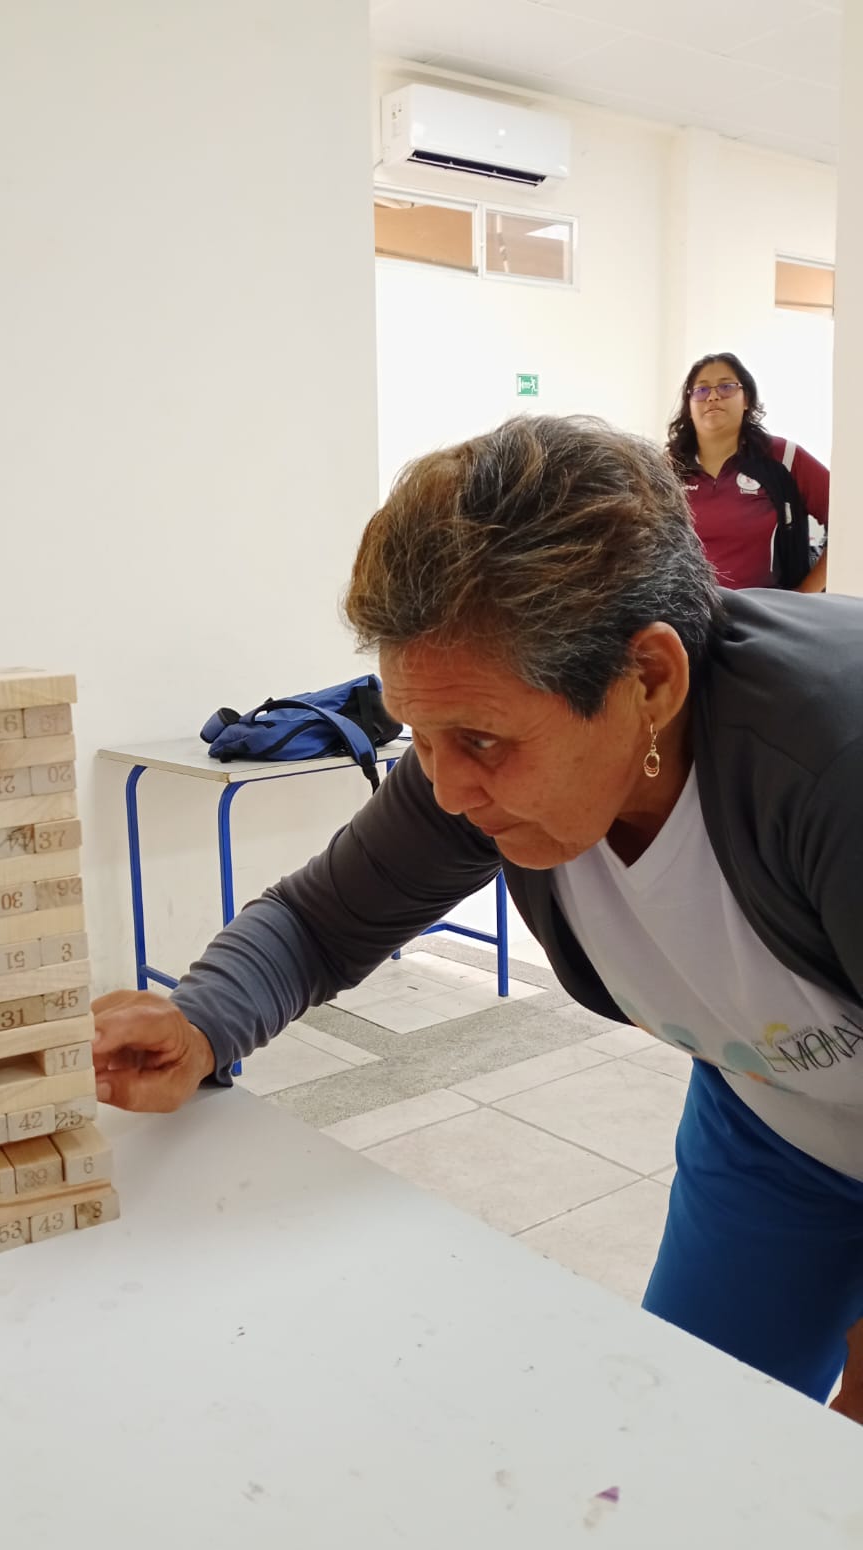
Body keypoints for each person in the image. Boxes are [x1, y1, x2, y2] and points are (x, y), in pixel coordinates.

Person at [93, 415, 863, 1418]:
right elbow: (321, 922)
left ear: (650, 679)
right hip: (776, 1117)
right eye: (420, 736)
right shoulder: (472, 765)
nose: (448, 789)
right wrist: (200, 1022)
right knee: (692, 1425)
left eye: (482, 741)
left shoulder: (832, 765)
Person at [665, 351, 829, 592]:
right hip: (690, 612)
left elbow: (850, 520)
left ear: (746, 400)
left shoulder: (784, 457)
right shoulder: (666, 469)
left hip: (767, 612)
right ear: (689, 407)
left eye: (726, 387)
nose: (713, 396)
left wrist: (805, 596)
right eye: (701, 390)